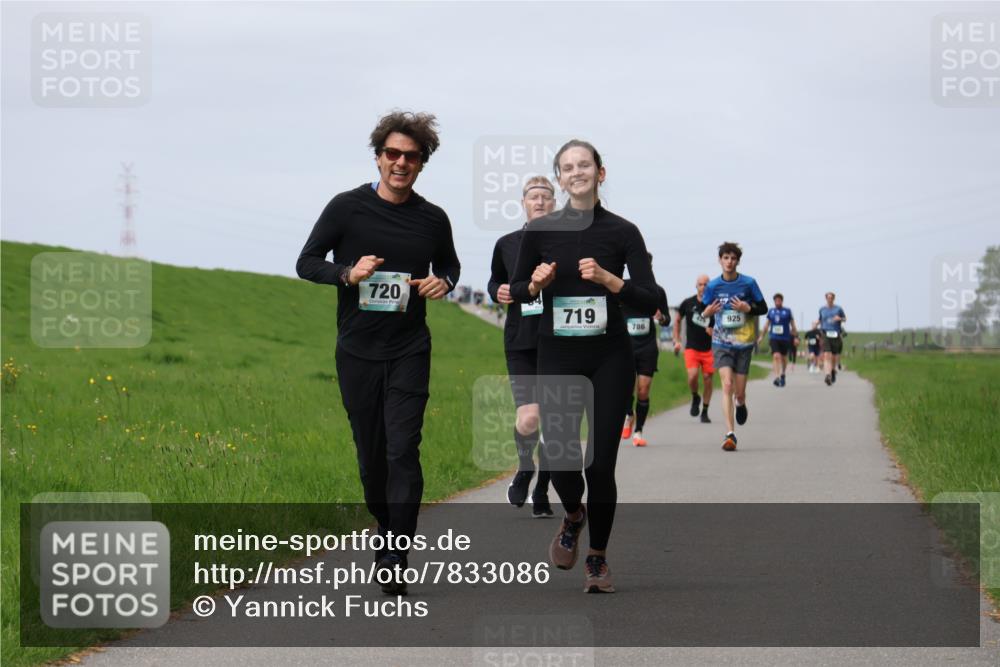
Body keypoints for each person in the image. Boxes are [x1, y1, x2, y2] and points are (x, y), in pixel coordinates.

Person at [296, 111, 459, 595]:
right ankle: (385, 523)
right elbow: (306, 262)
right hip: (358, 351)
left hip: (410, 348)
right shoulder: (347, 208)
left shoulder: (433, 218)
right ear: (378, 157)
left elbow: (449, 264)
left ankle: (396, 548)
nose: (401, 163)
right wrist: (348, 273)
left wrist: (443, 281)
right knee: (372, 460)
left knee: (403, 449)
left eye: (411, 156)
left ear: (422, 163)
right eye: (393, 154)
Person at [509, 139, 659, 593]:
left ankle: (597, 558)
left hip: (610, 358)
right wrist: (534, 284)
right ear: (560, 178)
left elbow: (652, 298)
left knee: (601, 467)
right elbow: (515, 290)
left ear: (600, 172)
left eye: (584, 165)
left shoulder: (623, 232)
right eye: (568, 167)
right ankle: (574, 515)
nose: (577, 172)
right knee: (558, 458)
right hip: (558, 355)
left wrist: (613, 281)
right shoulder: (540, 231)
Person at [487, 176, 557, 517]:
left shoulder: (567, 243)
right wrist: (497, 290)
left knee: (554, 423)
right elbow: (494, 280)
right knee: (529, 418)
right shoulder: (506, 243)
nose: (540, 201)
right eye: (534, 196)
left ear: (554, 203)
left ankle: (542, 489)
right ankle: (525, 466)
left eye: (546, 196)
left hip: (560, 341)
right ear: (524, 203)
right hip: (521, 340)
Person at [701, 242, 768, 452]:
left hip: (744, 343)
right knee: (727, 385)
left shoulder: (749, 283)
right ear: (720, 260)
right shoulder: (712, 286)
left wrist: (748, 308)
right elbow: (705, 311)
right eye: (725, 258)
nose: (729, 262)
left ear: (738, 261)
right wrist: (707, 315)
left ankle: (741, 403)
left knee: (739, 392)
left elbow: (763, 308)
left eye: (733, 258)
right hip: (721, 343)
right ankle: (730, 434)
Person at [621, 254, 669, 447]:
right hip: (625, 345)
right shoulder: (622, 286)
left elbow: (666, 318)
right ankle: (628, 414)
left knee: (643, 390)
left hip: (647, 346)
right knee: (625, 388)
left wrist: (660, 317)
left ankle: (639, 432)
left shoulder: (657, 291)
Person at [673, 275, 715, 423]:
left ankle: (705, 411)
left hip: (709, 349)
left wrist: (713, 330)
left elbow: (721, 325)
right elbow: (677, 320)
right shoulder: (688, 303)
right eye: (700, 284)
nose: (703, 287)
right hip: (692, 347)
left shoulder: (714, 304)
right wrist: (676, 340)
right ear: (696, 286)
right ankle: (695, 396)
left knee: (708, 379)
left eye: (706, 285)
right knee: (692, 376)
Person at [758, 293, 797, 387]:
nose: (777, 302)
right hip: (774, 337)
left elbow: (793, 325)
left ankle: (783, 373)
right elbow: (766, 325)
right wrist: (761, 336)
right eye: (776, 300)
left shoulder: (787, 311)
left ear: (782, 301)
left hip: (785, 338)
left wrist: (796, 337)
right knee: (776, 356)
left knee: (784, 358)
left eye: (779, 300)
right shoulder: (771, 311)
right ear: (774, 301)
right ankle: (776, 377)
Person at [818, 292, 847, 386]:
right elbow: (820, 319)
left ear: (833, 299)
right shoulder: (822, 309)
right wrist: (816, 324)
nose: (829, 299)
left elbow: (845, 318)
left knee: (834, 357)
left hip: (836, 334)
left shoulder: (838, 309)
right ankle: (827, 375)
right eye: (828, 298)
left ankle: (833, 370)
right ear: (826, 298)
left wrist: (840, 319)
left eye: (831, 298)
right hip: (825, 333)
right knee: (827, 355)